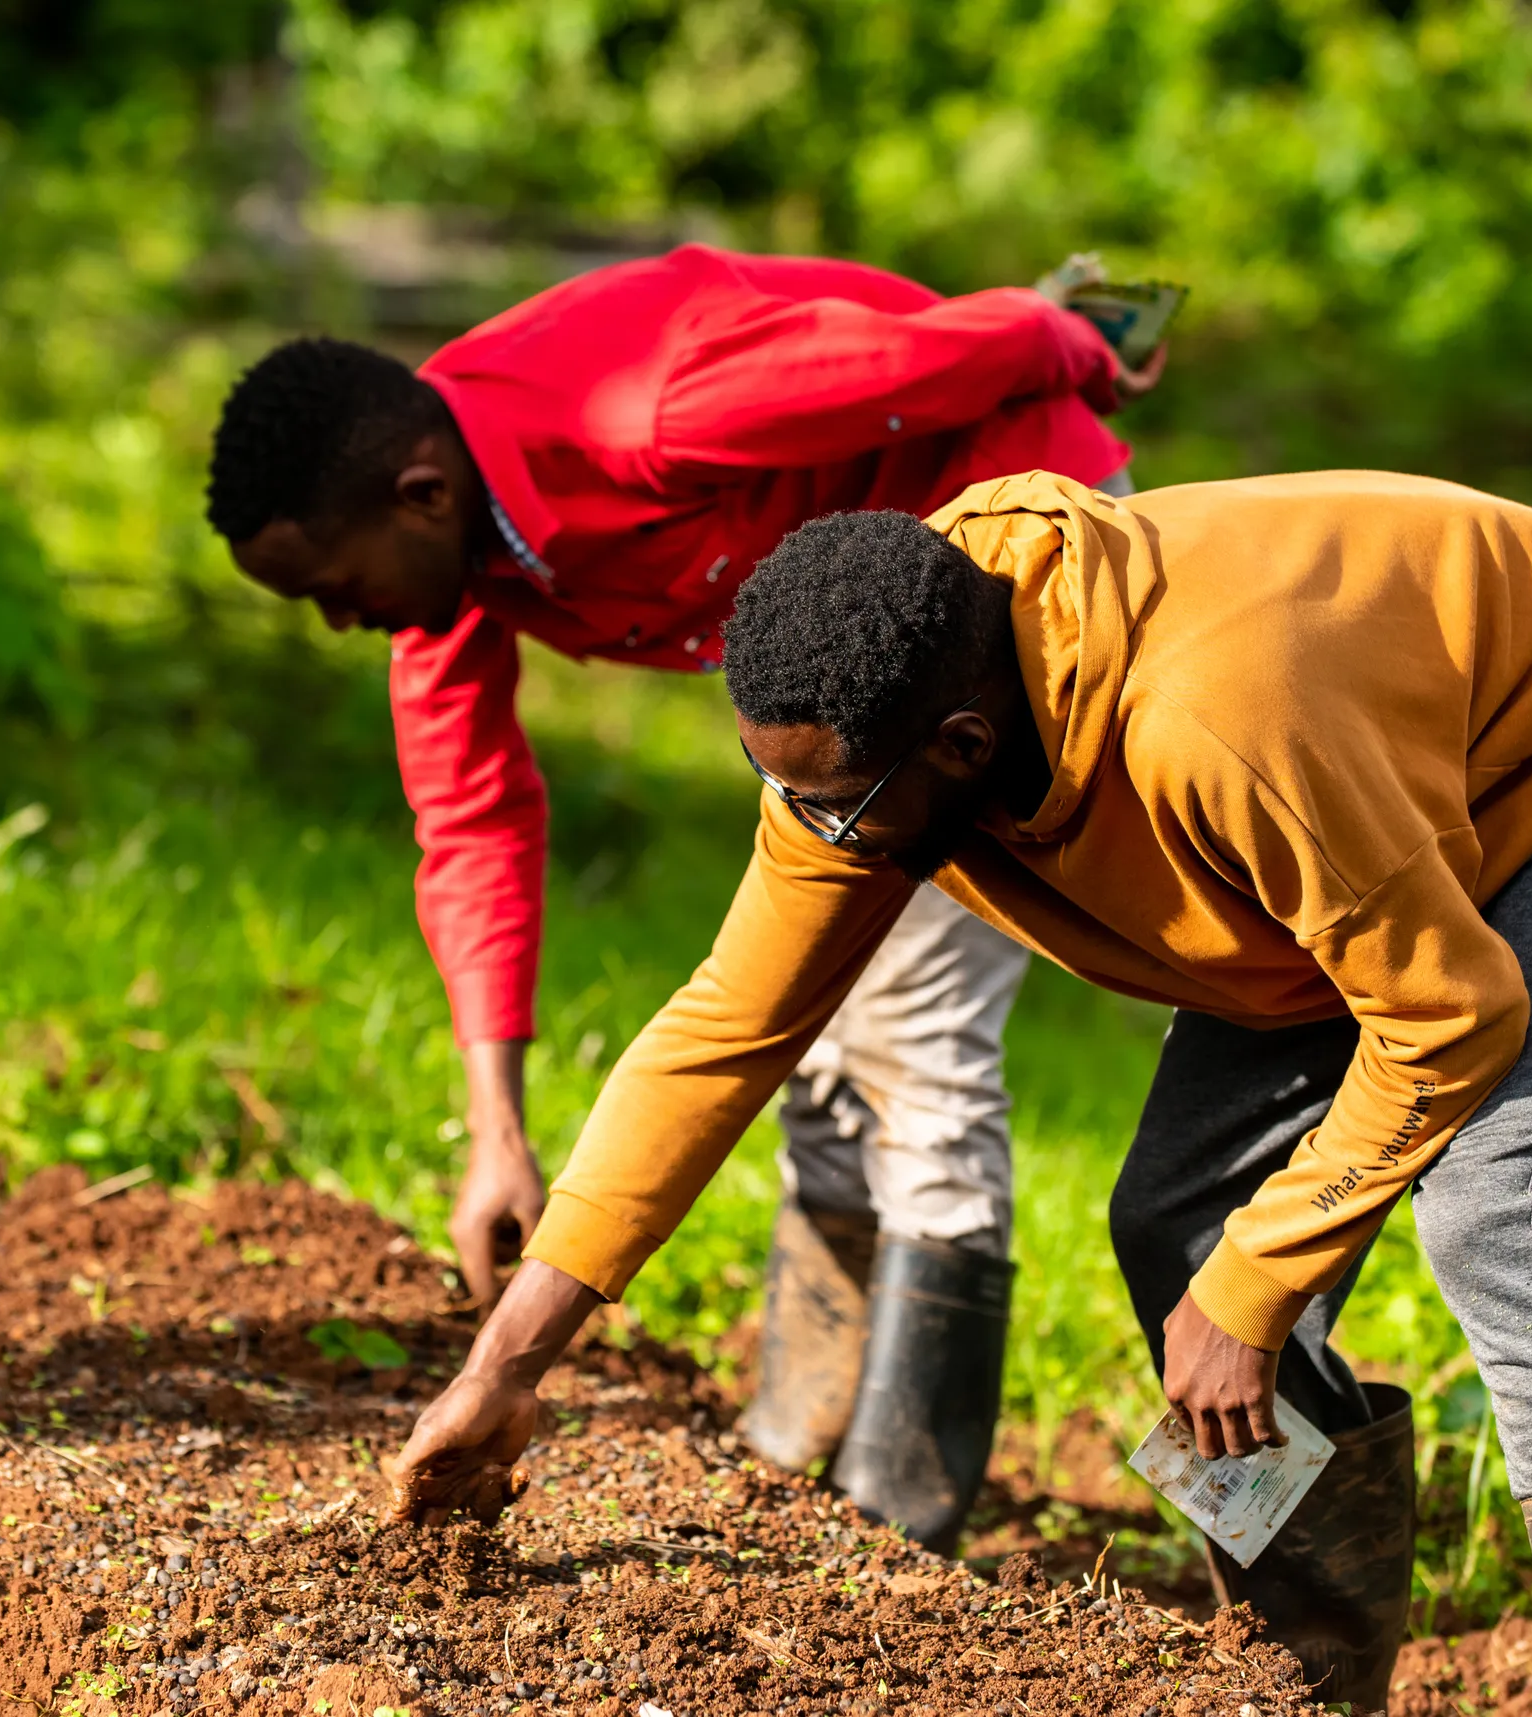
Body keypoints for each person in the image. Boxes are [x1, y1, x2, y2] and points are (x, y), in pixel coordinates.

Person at [388, 470, 1532, 1715]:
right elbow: (722, 1033)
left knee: (1490, 1223)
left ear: (966, 748)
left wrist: (1260, 1283)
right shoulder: (872, 730)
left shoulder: (1212, 729)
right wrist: (506, 1365)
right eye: (778, 784)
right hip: (1358, 835)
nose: (810, 829)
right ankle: (1309, 1678)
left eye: (838, 804)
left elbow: (1454, 1013)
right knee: (1178, 1233)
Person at [206, 244, 1167, 1546]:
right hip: (832, 668)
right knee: (814, 1034)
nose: (338, 625)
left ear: (420, 493)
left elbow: (949, 357)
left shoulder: (650, 409)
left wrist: (1083, 344)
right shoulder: (447, 557)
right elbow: (472, 822)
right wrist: (496, 1127)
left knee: (912, 1032)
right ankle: (801, 1443)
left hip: (978, 600)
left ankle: (903, 1506)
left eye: (335, 591)